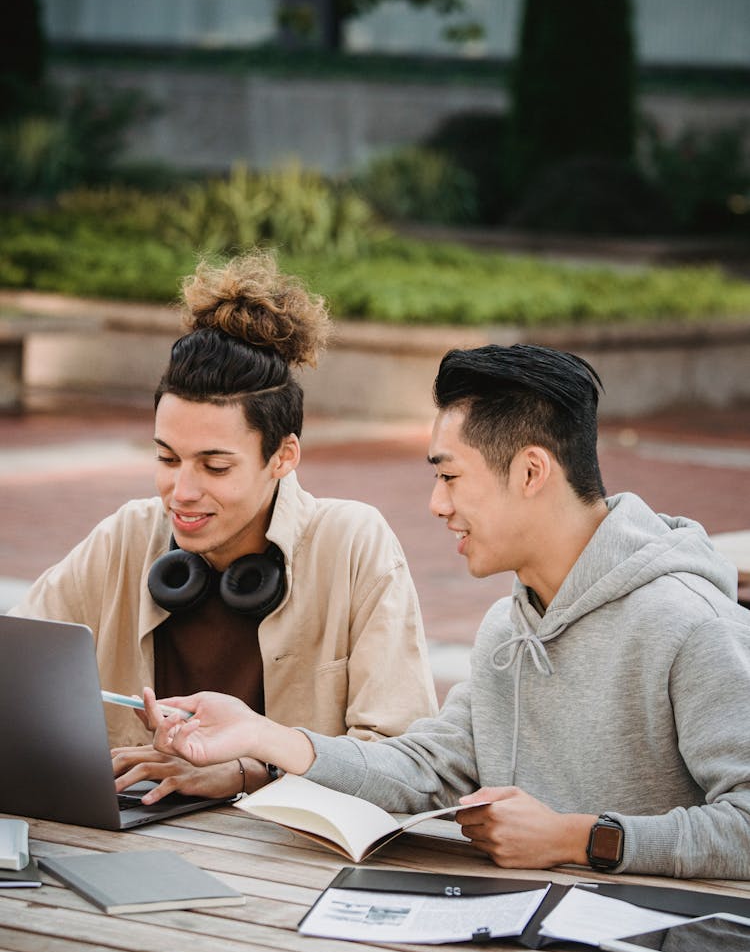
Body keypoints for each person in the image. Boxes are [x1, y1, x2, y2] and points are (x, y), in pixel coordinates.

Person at [145, 343, 750, 879]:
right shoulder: (508, 628)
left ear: (531, 471)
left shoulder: (689, 621)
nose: (436, 504)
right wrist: (263, 736)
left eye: (450, 476)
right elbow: (425, 769)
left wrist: (579, 837)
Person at [10, 250, 437, 801]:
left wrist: (249, 773)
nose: (181, 492)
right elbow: (14, 672)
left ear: (283, 457)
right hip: (131, 843)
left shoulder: (353, 545)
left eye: (215, 466)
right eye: (166, 459)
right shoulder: (126, 536)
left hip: (287, 867)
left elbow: (409, 774)